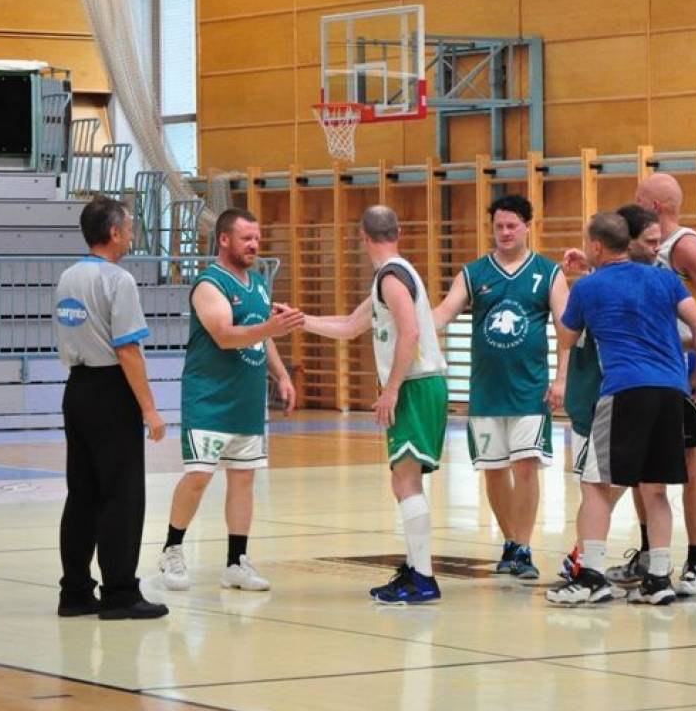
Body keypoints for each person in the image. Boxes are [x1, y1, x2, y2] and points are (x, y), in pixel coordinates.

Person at [545, 212, 696, 606]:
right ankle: (658, 580)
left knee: (595, 484)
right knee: (656, 488)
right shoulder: (664, 279)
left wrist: (571, 285)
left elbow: (567, 337)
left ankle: (591, 577)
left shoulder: (589, 287)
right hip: (671, 391)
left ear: (596, 246)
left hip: (625, 391)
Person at [303, 205, 449, 604]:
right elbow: (350, 327)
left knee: (406, 479)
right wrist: (301, 320)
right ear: (398, 232)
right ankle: (416, 567)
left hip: (416, 384)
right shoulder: (391, 275)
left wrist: (392, 389)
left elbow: (410, 333)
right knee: (402, 479)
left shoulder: (392, 278)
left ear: (362, 237)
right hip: (419, 384)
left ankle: (423, 578)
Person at [155, 209, 302, 593]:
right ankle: (172, 550)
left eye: (257, 238)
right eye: (246, 238)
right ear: (224, 239)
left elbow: (262, 336)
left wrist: (282, 375)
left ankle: (237, 562)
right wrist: (270, 327)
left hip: (246, 400)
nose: (254, 245)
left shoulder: (258, 283)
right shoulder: (209, 284)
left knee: (244, 478)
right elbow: (224, 334)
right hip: (210, 398)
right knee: (199, 476)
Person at [605, 173, 696, 597]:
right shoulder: (639, 245)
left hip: (682, 367)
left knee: (691, 466)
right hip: (645, 367)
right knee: (643, 469)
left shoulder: (684, 245)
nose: (632, 200)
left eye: (638, 196)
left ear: (654, 206)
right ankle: (648, 554)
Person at [432, 195, 568, 580]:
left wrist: (561, 378)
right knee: (493, 471)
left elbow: (567, 330)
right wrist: (408, 322)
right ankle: (510, 541)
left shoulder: (548, 272)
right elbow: (443, 313)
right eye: (499, 226)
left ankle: (524, 547)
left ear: (528, 226)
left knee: (525, 467)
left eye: (512, 226)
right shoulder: (474, 273)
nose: (505, 232)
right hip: (486, 391)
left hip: (530, 390)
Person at [53, 195, 168, 620]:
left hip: (77, 390)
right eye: (130, 227)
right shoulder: (119, 281)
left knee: (82, 493)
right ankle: (120, 593)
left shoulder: (68, 277)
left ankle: (75, 592)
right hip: (110, 392)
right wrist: (150, 410)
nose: (133, 234)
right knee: (122, 494)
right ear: (114, 232)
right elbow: (128, 350)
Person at [558, 205, 664, 581]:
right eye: (650, 241)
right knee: (622, 482)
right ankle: (654, 569)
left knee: (604, 482)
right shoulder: (625, 281)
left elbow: (567, 334)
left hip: (619, 394)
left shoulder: (641, 281)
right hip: (608, 393)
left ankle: (587, 564)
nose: (656, 248)